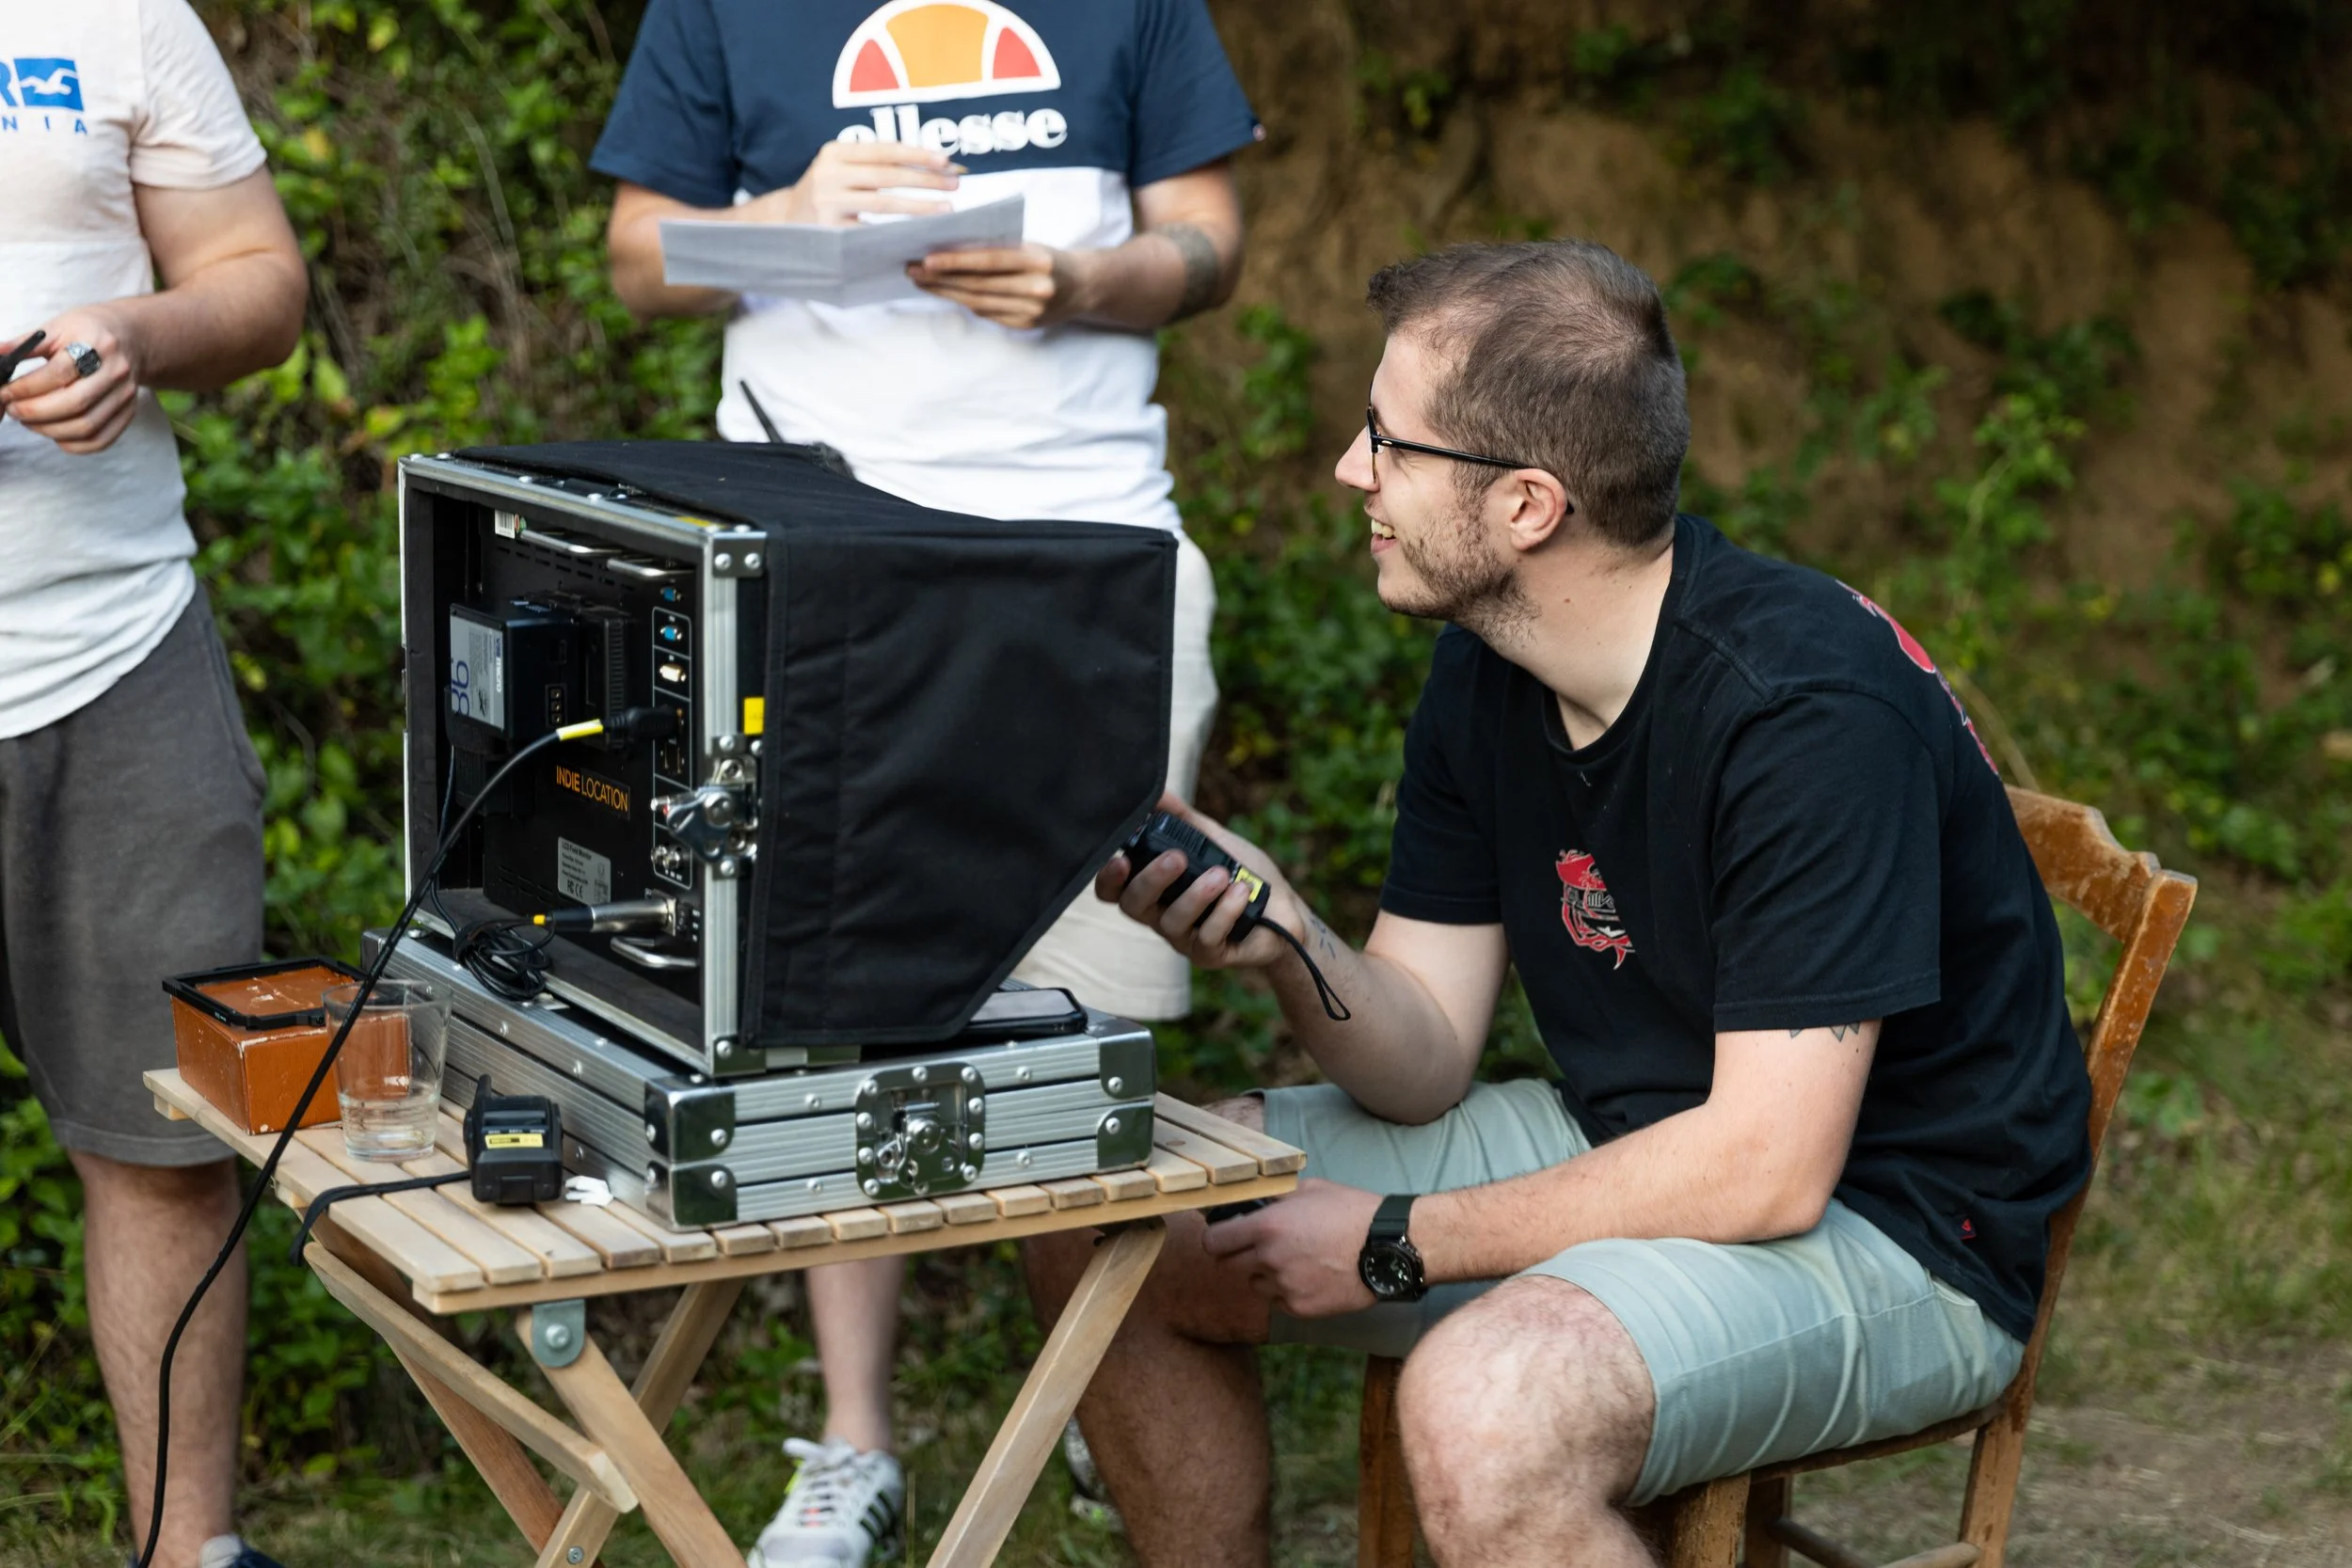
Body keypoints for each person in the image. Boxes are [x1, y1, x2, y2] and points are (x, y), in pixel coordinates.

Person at [1028, 239, 2094, 1566]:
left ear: (1528, 505)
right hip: (1635, 1129)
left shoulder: (1803, 712)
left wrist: (1398, 1241)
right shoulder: (1489, 669)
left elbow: (1769, 1163)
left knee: (1488, 1404)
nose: (1352, 471)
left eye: (1389, 443)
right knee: (1110, 1211)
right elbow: (1420, 1059)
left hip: (1901, 1223)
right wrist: (1291, 940)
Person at [588, 1, 1259, 1560]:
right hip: (815, 550)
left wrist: (1092, 282)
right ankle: (854, 1447)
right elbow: (636, 257)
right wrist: (776, 223)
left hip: (1090, 547)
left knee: (1097, 996)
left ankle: (1113, 1389)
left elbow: (1212, 241)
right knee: (835, 992)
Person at [0, 4, 307, 1567]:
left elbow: (258, 282)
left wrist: (135, 337)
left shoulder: (113, 15)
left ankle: (187, 1550)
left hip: (113, 653)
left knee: (166, 1139)